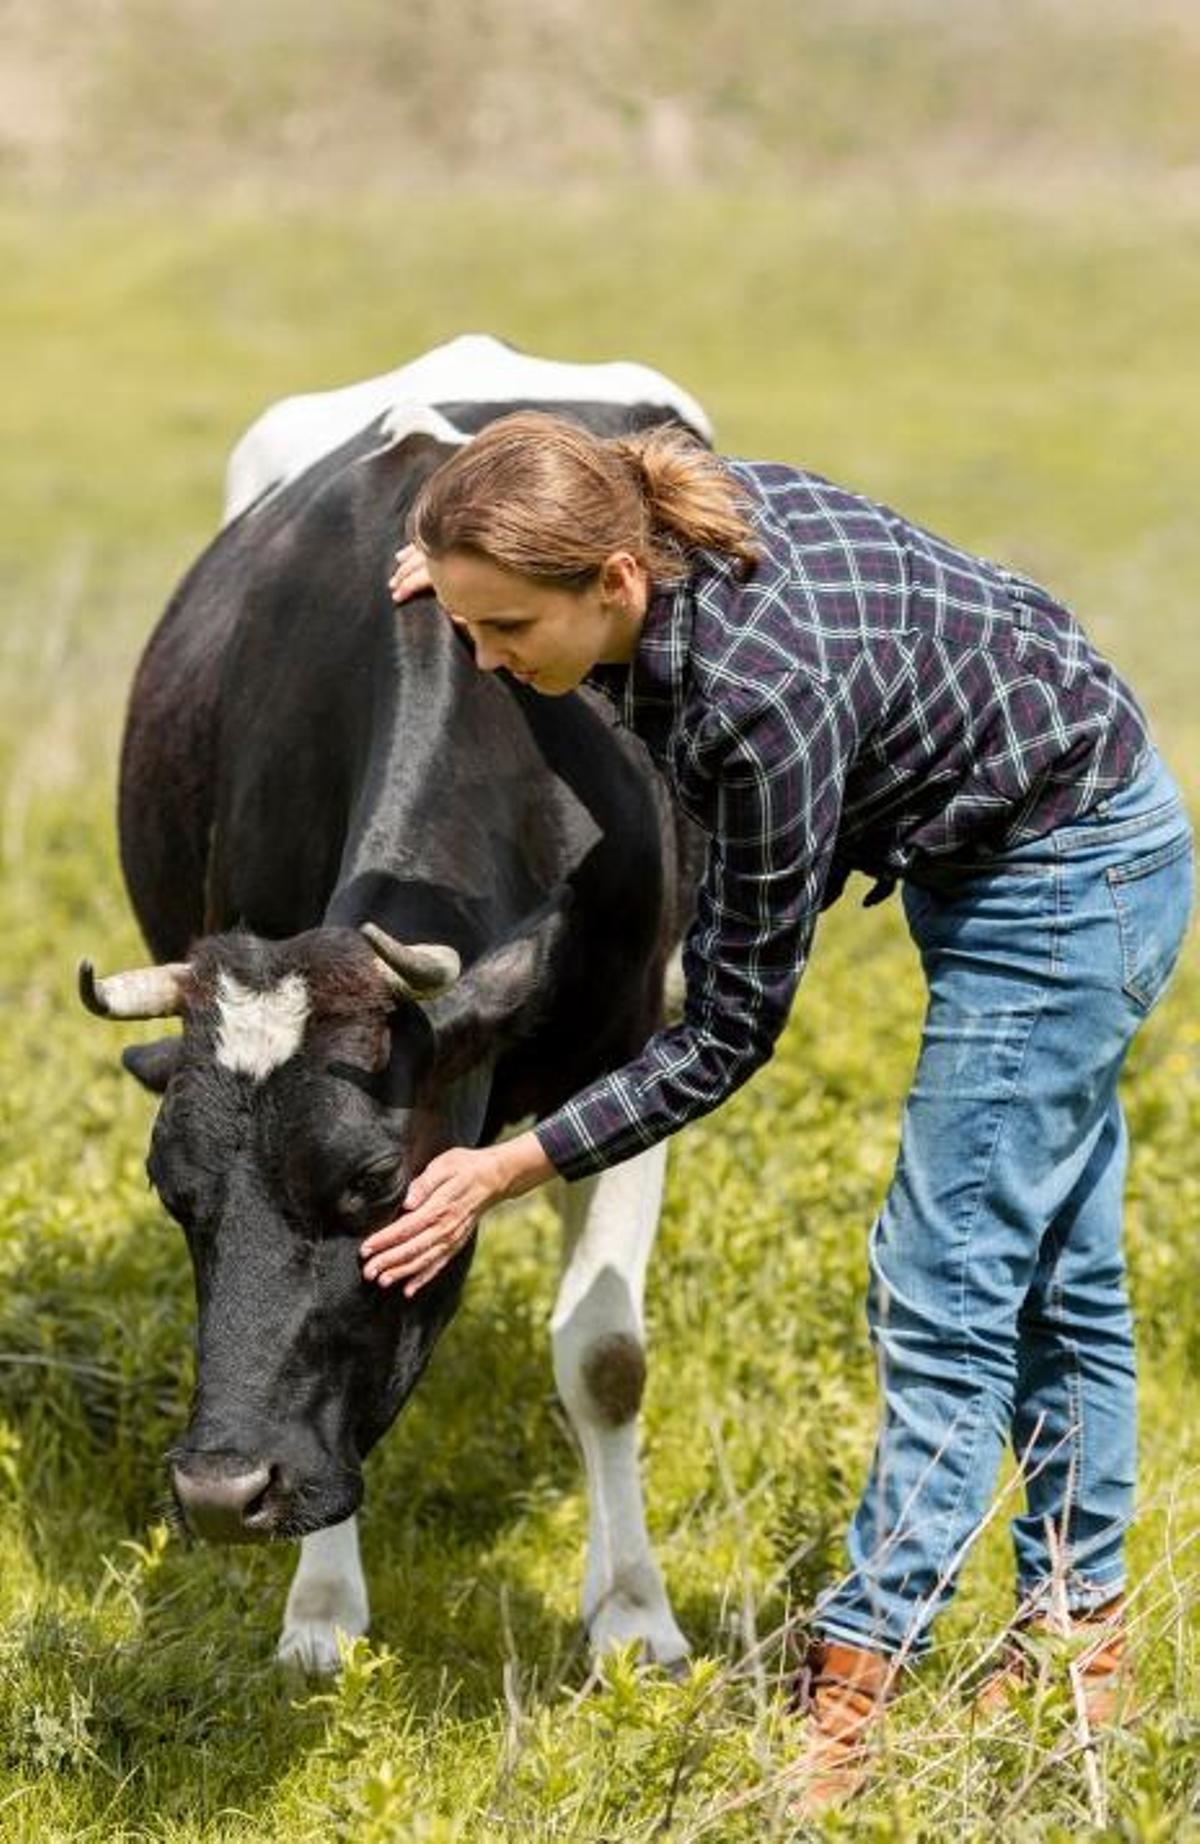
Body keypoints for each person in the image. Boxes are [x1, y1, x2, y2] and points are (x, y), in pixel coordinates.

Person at [359, 411, 1193, 1808]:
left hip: (1066, 878)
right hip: (1047, 820)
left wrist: (513, 1163)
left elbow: (732, 1028)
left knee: (943, 1289)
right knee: (1060, 1277)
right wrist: (464, 575)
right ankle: (1079, 1632)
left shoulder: (753, 700)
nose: (489, 660)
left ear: (615, 583)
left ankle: (852, 1693)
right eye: (469, 626)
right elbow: (596, 476)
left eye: (506, 629)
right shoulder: (671, 511)